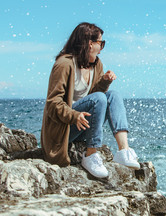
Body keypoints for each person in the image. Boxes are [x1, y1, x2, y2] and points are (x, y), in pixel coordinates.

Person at [41, 22, 140, 178]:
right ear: (89, 44)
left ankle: (124, 150)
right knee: (101, 97)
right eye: (101, 43)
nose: (101, 48)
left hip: (83, 124)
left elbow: (95, 98)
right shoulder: (64, 64)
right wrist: (74, 115)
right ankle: (91, 154)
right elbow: (53, 103)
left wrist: (104, 81)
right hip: (64, 129)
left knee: (113, 94)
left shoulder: (96, 65)